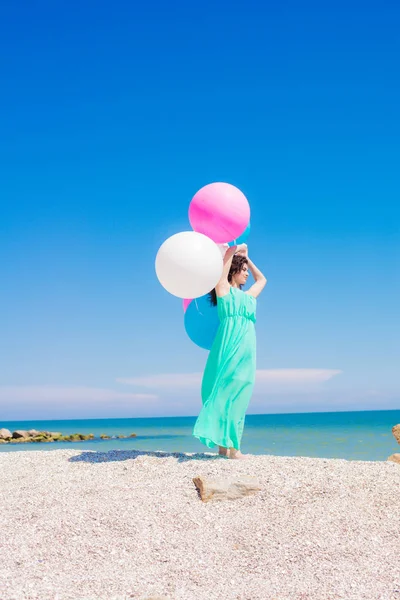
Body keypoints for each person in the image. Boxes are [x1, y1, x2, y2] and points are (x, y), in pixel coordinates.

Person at [193, 243, 267, 459]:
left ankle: (228, 446)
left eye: (246, 271)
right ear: (233, 271)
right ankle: (230, 449)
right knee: (224, 391)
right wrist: (234, 252)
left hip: (247, 347)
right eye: (243, 271)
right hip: (228, 346)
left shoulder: (249, 297)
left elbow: (262, 279)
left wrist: (247, 259)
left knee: (241, 393)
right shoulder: (223, 289)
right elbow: (223, 266)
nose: (246, 275)